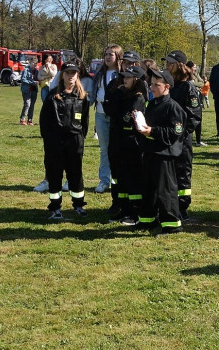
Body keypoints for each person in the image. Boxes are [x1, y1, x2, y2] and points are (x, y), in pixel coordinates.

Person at [136, 67, 186, 235]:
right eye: (151, 84)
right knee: (148, 189)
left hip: (164, 155)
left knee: (166, 191)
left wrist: (152, 131)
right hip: (150, 152)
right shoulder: (152, 104)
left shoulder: (173, 107)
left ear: (167, 87)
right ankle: (147, 220)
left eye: (157, 85)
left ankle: (171, 224)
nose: (152, 88)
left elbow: (175, 133)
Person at [39, 63, 90, 220]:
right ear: (62, 75)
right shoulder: (53, 95)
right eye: (68, 72)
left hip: (75, 140)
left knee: (75, 173)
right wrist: (49, 139)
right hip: (55, 140)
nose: (71, 76)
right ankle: (55, 207)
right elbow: (44, 120)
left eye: (74, 73)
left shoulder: (82, 97)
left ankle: (79, 204)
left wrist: (80, 138)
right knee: (55, 174)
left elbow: (85, 122)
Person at [104, 65, 146, 224]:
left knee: (132, 179)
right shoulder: (122, 93)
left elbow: (126, 118)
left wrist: (118, 105)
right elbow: (109, 110)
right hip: (117, 140)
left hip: (130, 143)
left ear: (136, 80)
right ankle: (123, 209)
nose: (124, 79)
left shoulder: (137, 98)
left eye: (128, 77)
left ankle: (133, 213)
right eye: (124, 77)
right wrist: (117, 94)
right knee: (120, 177)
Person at [167, 51, 201, 223]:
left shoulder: (188, 87)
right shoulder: (168, 85)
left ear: (179, 65)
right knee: (169, 173)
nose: (167, 66)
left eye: (170, 63)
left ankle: (182, 208)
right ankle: (169, 205)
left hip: (182, 139)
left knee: (182, 173)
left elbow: (194, 115)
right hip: (167, 138)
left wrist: (181, 133)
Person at [90, 45, 123, 194]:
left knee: (117, 149)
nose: (108, 57)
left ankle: (118, 180)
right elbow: (94, 91)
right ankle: (104, 181)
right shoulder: (100, 73)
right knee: (104, 149)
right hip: (101, 114)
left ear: (118, 56)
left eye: (111, 54)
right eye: (106, 54)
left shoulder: (122, 74)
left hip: (116, 116)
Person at [19, 59, 38, 125]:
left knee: (32, 105)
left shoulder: (36, 71)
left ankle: (30, 120)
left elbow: (38, 79)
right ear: (30, 62)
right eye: (33, 62)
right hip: (26, 89)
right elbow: (23, 79)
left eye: (36, 63)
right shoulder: (26, 70)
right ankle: (22, 119)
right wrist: (32, 82)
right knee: (27, 104)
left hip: (34, 90)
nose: (34, 64)